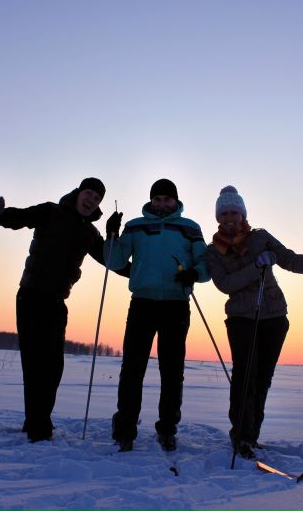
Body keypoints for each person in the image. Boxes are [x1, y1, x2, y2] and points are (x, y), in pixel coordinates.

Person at [0, 178, 129, 443]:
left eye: (97, 197)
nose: (91, 199)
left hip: (57, 303)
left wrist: (125, 249)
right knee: (35, 365)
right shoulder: (50, 212)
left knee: (53, 367)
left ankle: (36, 420)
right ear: (78, 193)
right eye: (88, 193)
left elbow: (110, 260)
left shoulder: (90, 234)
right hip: (31, 297)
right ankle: (38, 429)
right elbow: (18, 218)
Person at [204, 185, 303, 459]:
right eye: (224, 213)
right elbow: (225, 284)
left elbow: (293, 261)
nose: (229, 218)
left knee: (262, 380)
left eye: (234, 211)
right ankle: (241, 436)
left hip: (274, 317)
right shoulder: (213, 251)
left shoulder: (261, 238)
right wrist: (256, 267)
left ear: (243, 213)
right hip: (241, 319)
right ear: (217, 217)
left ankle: (251, 436)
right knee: (244, 377)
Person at [103, 178, 210, 452]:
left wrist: (193, 273)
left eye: (167, 199)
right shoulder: (135, 226)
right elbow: (114, 262)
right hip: (142, 303)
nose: (162, 204)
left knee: (172, 370)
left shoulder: (190, 228)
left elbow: (205, 265)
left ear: (176, 201)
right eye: (157, 199)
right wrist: (111, 235)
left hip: (176, 305)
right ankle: (126, 427)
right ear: (151, 200)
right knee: (132, 368)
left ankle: (167, 428)